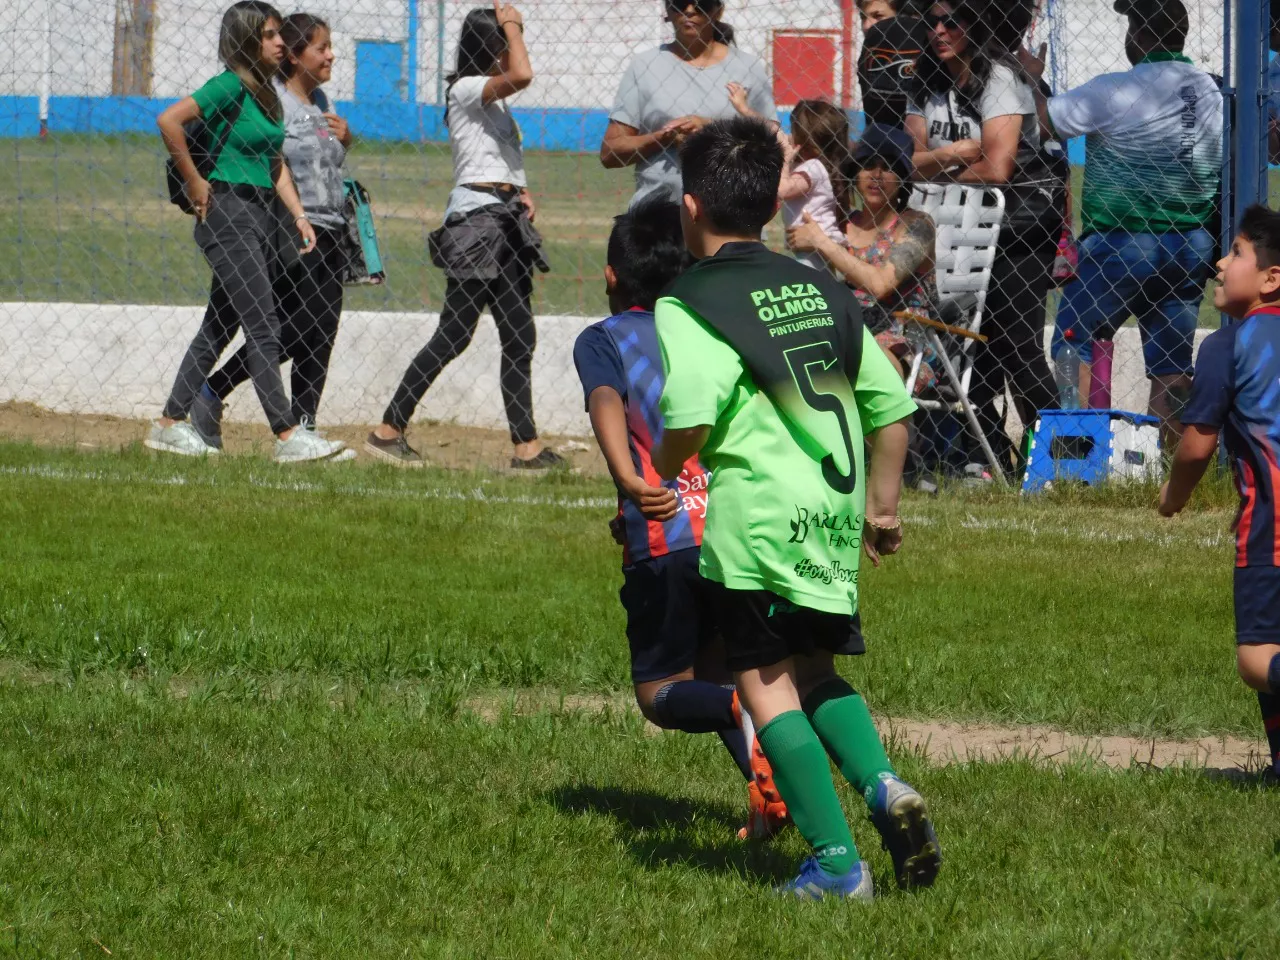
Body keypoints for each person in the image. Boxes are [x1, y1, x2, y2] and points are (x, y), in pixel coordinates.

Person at [651, 117, 940, 899]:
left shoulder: (690, 299)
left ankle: (836, 865)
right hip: (834, 510)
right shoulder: (817, 284)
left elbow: (691, 408)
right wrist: (882, 510)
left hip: (757, 518)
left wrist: (663, 469)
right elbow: (889, 409)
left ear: (690, 206)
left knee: (762, 681)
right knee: (813, 667)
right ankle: (883, 785)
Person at [573, 197, 789, 840]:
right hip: (736, 531)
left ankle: (744, 712)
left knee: (661, 692)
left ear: (612, 277)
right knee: (725, 661)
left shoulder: (604, 338)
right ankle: (768, 795)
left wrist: (630, 482)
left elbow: (606, 400)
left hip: (666, 538)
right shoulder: (711, 331)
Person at [366, 3, 562, 470]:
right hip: (478, 222)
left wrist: (521, 189)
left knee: (518, 333)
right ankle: (388, 430)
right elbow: (524, 73)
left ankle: (526, 446)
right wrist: (513, 26)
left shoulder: (491, 101)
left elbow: (492, 156)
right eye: (504, 40)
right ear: (490, 45)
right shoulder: (467, 88)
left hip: (503, 218)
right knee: (455, 333)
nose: (512, 45)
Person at [150, 1, 345, 463]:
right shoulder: (229, 85)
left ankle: (168, 424)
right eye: (270, 35)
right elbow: (169, 120)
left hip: (259, 215)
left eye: (280, 34)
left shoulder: (265, 96)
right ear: (246, 41)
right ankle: (286, 434)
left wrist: (297, 215)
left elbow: (274, 163)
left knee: (218, 327)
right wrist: (196, 180)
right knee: (264, 326)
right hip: (228, 211)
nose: (281, 43)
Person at [1046, 0, 1221, 447]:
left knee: (1073, 338)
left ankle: (1075, 450)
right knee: (1171, 363)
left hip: (1119, 244)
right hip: (1190, 244)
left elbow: (1048, 119)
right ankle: (1171, 461)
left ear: (1137, 35)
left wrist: (1029, 73)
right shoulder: (1212, 90)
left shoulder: (1115, 89)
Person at [905, 0, 1064, 478]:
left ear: (974, 25)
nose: (939, 29)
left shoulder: (999, 78)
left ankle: (1055, 462)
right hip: (955, 225)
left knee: (1018, 346)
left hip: (1018, 230)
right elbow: (906, 160)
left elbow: (999, 167)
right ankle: (991, 458)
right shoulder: (924, 81)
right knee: (961, 345)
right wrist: (955, 152)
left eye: (951, 20)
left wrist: (936, 169)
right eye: (932, 21)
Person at [1158, 205, 1280, 781]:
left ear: (1270, 278)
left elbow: (1196, 446)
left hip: (1271, 528)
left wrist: (1173, 497)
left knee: (1258, 659)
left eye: (1235, 253)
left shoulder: (1226, 347)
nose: (1220, 264)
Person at [788, 123, 939, 386]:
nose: (877, 175)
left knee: (864, 362)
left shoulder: (917, 225)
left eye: (888, 167)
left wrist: (822, 242)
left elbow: (880, 285)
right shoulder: (840, 224)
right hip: (842, 331)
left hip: (902, 343)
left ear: (902, 178)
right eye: (868, 164)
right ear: (856, 173)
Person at [600, 0, 775, 206]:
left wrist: (710, 130)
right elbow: (611, 152)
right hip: (658, 213)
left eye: (702, 4)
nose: (690, 11)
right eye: (680, 3)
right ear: (668, 11)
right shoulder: (644, 66)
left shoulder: (748, 67)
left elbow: (773, 142)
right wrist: (664, 137)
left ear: (718, 11)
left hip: (731, 212)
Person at [730, 96, 849, 273]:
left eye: (793, 130)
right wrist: (745, 110)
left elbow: (782, 190)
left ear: (805, 140)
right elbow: (774, 131)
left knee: (811, 281)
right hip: (809, 245)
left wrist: (785, 159)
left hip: (814, 246)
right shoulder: (817, 165)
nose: (789, 135)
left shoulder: (813, 168)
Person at [858, 0, 934, 128]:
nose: (867, 25)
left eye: (878, 16)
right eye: (863, 17)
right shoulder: (869, 51)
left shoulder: (929, 47)